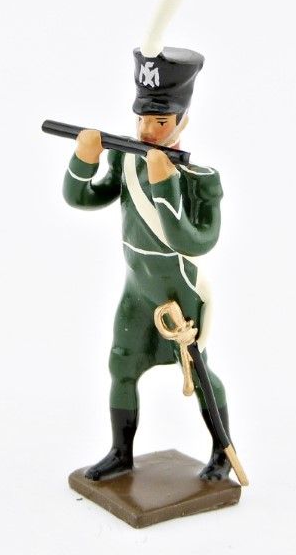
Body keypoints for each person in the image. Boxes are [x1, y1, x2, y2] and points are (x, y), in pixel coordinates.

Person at [62, 46, 234, 481]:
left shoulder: (200, 179)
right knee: (121, 364)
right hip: (137, 287)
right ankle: (121, 453)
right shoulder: (126, 158)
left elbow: (194, 241)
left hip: (178, 290)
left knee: (197, 370)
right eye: (142, 119)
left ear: (182, 122)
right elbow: (83, 198)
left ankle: (221, 452)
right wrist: (84, 158)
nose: (147, 130)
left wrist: (164, 185)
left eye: (161, 122)